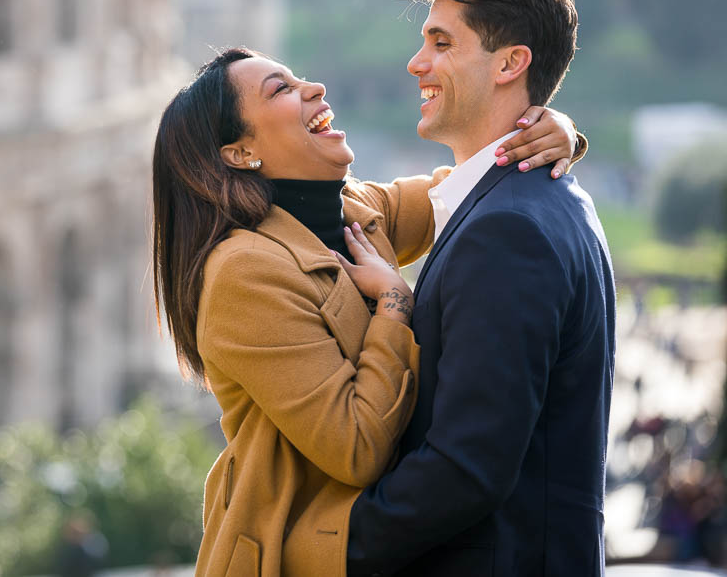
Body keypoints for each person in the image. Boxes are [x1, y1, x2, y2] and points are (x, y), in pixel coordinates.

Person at [151, 44, 585, 576]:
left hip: (373, 548)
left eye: (297, 76)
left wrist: (550, 131)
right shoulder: (244, 272)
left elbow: (467, 189)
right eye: (281, 90)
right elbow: (356, 446)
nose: (313, 88)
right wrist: (393, 302)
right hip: (295, 553)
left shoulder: (355, 208)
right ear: (240, 153)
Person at [342, 0, 616, 576]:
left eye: (442, 43)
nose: (416, 63)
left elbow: (466, 468)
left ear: (509, 63)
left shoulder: (507, 229)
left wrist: (325, 542)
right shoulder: (541, 200)